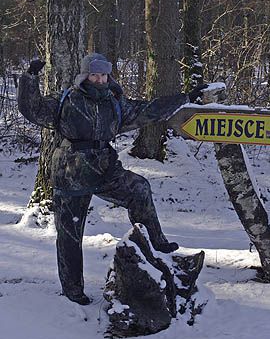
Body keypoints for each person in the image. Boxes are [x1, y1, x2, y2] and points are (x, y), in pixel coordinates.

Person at [18, 53, 206, 305]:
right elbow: (33, 109)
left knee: (139, 189)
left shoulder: (115, 103)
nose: (99, 79)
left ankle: (155, 246)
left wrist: (185, 98)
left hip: (105, 169)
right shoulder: (66, 100)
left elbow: (148, 110)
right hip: (70, 174)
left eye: (103, 75)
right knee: (70, 236)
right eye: (94, 74)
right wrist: (30, 78)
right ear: (85, 75)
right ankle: (73, 290)